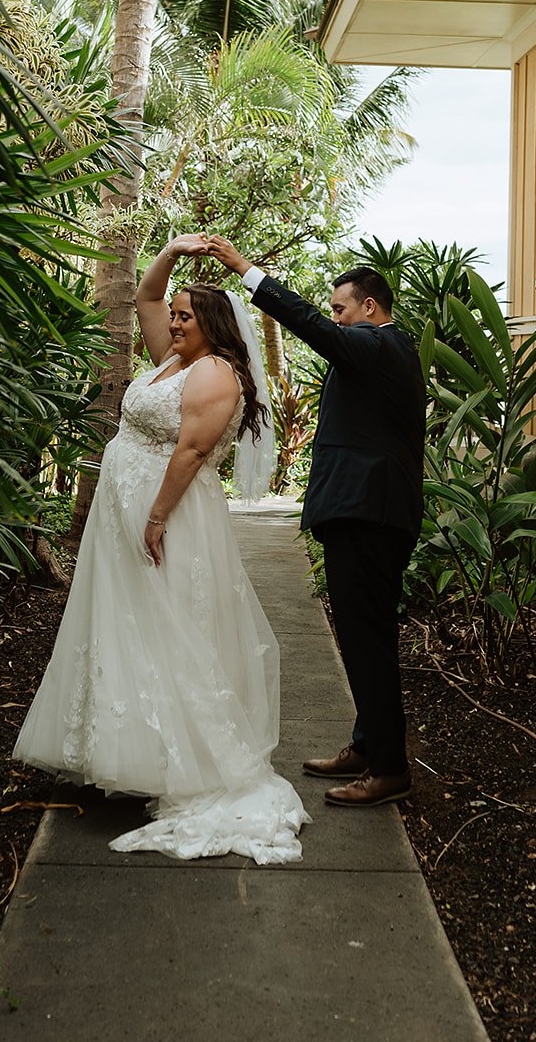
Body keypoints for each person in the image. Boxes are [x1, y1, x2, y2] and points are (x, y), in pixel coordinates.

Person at [12, 234, 308, 863]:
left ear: (212, 325)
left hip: (166, 510)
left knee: (170, 624)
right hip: (127, 507)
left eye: (185, 315)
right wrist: (172, 250)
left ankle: (183, 757)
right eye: (173, 315)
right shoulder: (173, 358)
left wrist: (155, 516)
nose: (172, 321)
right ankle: (126, 748)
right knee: (128, 624)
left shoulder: (215, 372)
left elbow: (192, 452)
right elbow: (144, 295)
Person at [205, 237, 426, 809]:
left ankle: (390, 770)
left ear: (369, 309)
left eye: (341, 309)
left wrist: (246, 271)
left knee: (368, 640)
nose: (335, 319)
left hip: (369, 518)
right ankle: (366, 744)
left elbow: (311, 326)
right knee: (358, 637)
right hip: (360, 515)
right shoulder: (376, 351)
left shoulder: (383, 345)